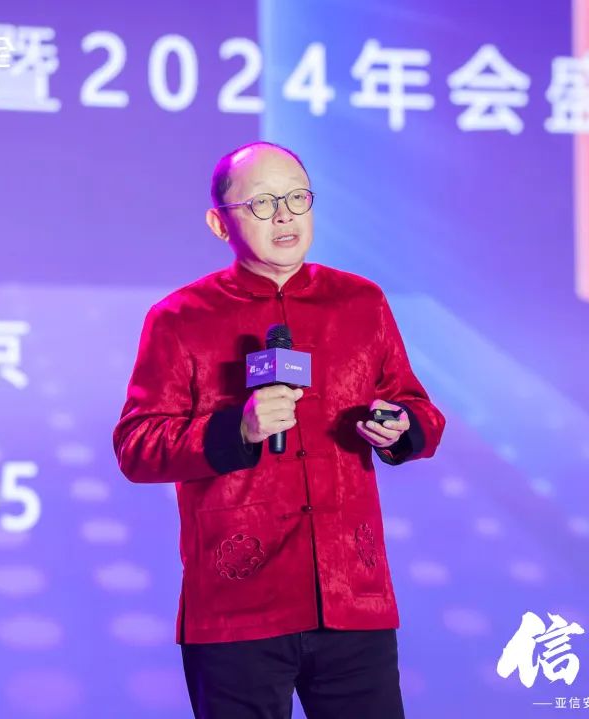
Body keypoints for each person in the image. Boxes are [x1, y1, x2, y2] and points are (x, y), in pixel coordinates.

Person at [113, 141, 446, 719]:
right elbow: (136, 446)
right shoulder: (180, 318)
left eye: (297, 198)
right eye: (262, 204)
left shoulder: (360, 302)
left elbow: (420, 410)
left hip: (352, 599)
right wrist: (236, 429)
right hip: (238, 606)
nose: (285, 216)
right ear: (220, 223)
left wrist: (402, 426)